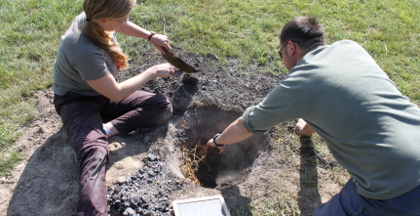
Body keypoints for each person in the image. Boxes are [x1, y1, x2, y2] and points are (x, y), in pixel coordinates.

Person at [207, 16, 420, 215]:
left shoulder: (299, 83)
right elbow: (340, 95)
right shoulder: (349, 47)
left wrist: (218, 140)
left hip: (396, 183)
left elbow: (245, 126)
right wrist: (306, 130)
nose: (282, 59)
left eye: (280, 54)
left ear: (291, 48)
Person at [52, 0, 175, 215]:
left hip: (103, 92)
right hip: (78, 101)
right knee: (96, 151)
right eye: (123, 18)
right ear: (103, 19)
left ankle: (106, 129)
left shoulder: (95, 19)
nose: (126, 22)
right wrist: (153, 71)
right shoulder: (82, 48)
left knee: (161, 105)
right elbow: (115, 93)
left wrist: (150, 36)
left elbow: (119, 25)